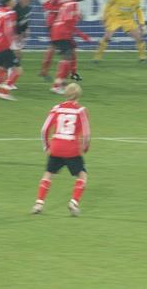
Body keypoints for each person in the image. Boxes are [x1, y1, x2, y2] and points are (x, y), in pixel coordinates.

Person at [33, 83, 90, 217]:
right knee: (82, 175)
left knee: (48, 174)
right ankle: (74, 202)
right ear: (78, 96)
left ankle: (39, 204)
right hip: (71, 148)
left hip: (56, 147)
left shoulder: (56, 108)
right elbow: (86, 133)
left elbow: (44, 129)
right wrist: (85, 147)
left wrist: (46, 146)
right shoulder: (80, 110)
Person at [94, 0, 147, 64]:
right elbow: (107, 6)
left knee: (139, 38)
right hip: (114, 18)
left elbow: (138, 10)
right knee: (107, 37)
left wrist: (142, 23)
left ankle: (142, 58)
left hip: (128, 19)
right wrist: (104, 17)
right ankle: (97, 58)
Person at [50, 0, 91, 94]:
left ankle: (63, 84)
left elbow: (67, 22)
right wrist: (82, 35)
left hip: (59, 32)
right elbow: (68, 22)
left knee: (70, 56)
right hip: (62, 33)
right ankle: (56, 86)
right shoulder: (73, 5)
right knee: (67, 57)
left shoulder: (68, 4)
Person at [41, 0, 78, 80]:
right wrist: (61, 10)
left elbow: (73, 5)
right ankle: (45, 72)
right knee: (54, 47)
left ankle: (71, 73)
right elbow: (46, 5)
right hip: (54, 23)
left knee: (71, 48)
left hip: (66, 24)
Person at [12, 0, 33, 70]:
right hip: (10, 35)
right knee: (16, 55)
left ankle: (10, 74)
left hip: (18, 36)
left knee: (17, 57)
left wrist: (26, 29)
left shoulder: (28, 8)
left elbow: (24, 21)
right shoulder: (14, 8)